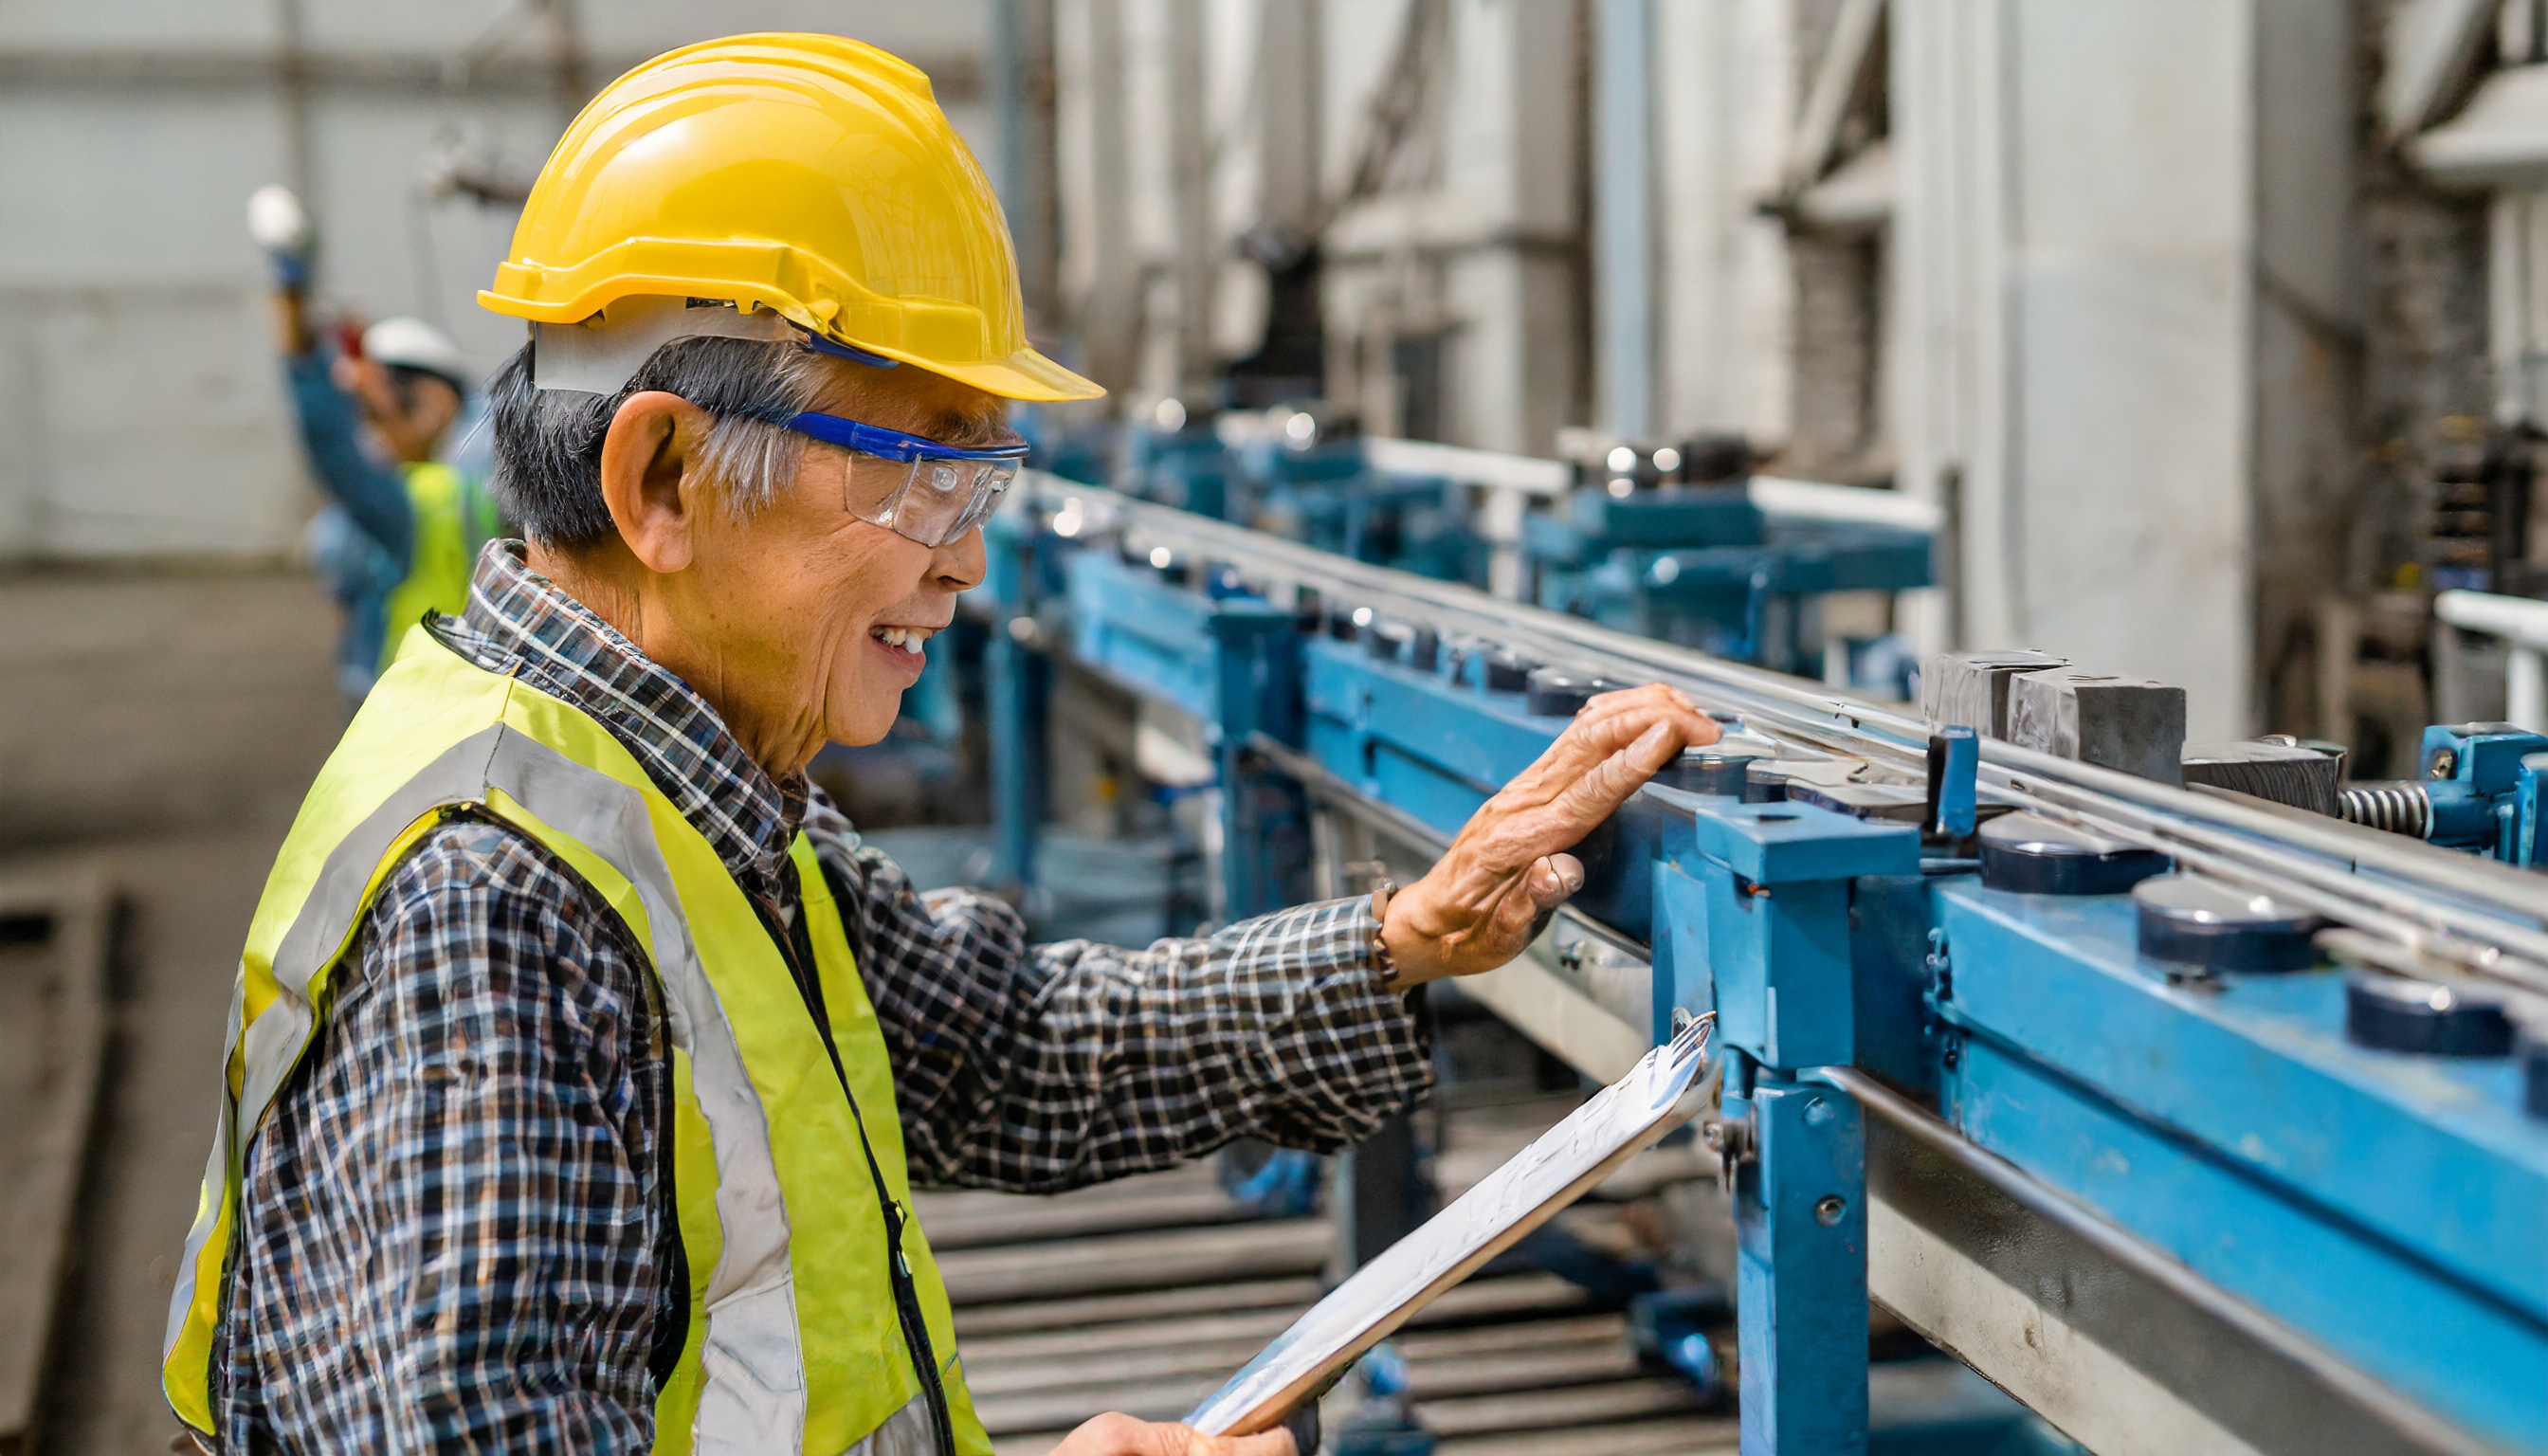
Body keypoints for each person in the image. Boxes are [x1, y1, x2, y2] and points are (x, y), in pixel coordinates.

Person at [165, 35, 1721, 1456]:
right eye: (925, 478)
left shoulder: (678, 792)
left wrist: (1409, 934)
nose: (963, 563)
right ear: (662, 481)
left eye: (978, 490)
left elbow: (998, 1052)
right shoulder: (498, 917)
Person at [247, 184, 507, 701]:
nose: (369, 433)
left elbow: (331, 445)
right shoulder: (494, 473)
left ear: (434, 402)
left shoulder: (421, 498)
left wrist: (291, 299)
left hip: (405, 705)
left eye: (374, 412)